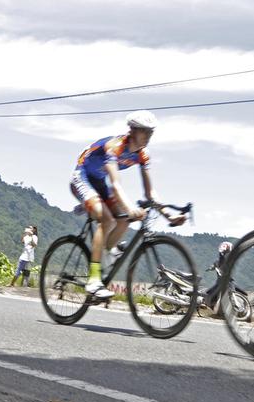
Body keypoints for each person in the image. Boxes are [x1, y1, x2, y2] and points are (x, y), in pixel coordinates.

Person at [70, 111, 180, 299]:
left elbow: (150, 192)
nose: (148, 137)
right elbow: (116, 184)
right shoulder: (115, 147)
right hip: (82, 177)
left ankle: (107, 251)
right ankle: (94, 280)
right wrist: (130, 207)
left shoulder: (143, 155)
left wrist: (168, 214)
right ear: (132, 130)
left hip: (99, 182)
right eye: (144, 132)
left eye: (150, 133)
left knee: (124, 220)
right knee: (106, 219)